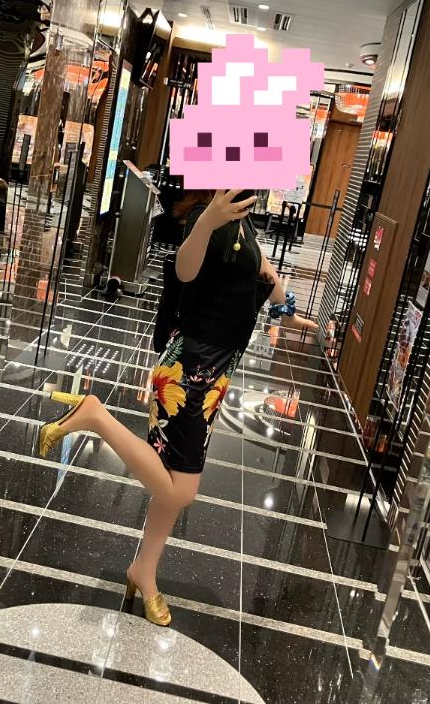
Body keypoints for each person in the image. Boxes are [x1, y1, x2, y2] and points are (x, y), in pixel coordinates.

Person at [39, 189, 317, 626]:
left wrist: (287, 312)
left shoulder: (242, 218)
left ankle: (144, 572)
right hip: (188, 373)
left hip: (213, 376)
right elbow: (186, 270)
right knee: (181, 490)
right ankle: (94, 416)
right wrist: (208, 220)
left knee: (170, 484)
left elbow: (265, 268)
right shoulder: (207, 215)